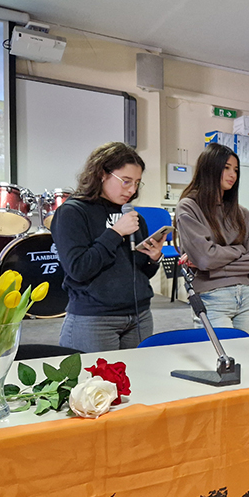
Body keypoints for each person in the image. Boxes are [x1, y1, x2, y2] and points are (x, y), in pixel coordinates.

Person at [52, 142, 165, 351]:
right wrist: (115, 233)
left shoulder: (132, 216)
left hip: (139, 315)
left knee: (139, 372)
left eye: (137, 183)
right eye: (126, 181)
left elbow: (140, 273)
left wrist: (153, 257)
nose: (132, 190)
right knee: (95, 374)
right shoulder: (72, 212)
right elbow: (78, 269)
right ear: (102, 174)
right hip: (95, 318)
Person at [174, 143, 249, 336]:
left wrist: (214, 266)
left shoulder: (242, 213)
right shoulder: (189, 207)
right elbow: (205, 258)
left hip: (246, 296)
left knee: (248, 354)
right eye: (226, 167)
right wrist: (239, 249)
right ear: (209, 168)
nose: (233, 175)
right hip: (212, 297)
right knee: (221, 354)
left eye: (236, 170)